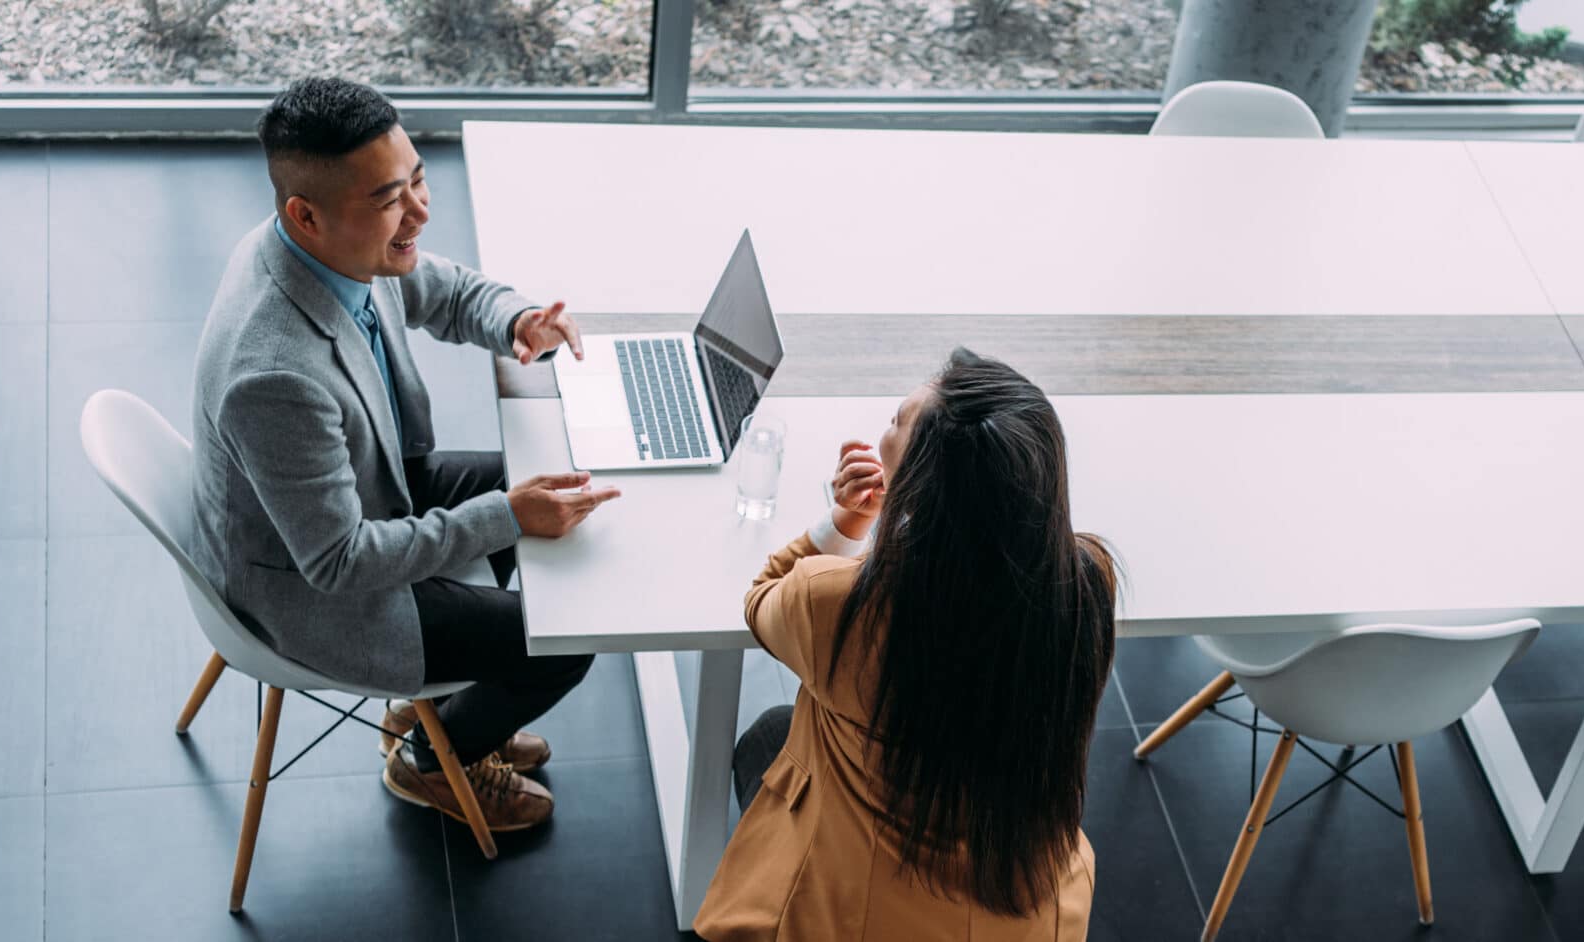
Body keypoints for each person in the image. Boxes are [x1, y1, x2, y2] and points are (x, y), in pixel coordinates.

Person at [187, 76, 615, 832]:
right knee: (567, 637)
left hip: (372, 487)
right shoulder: (273, 374)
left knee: (553, 490)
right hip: (317, 593)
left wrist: (515, 318)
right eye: (391, 199)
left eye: (418, 179)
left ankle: (453, 716)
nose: (418, 211)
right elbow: (340, 563)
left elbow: (440, 289)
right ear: (306, 215)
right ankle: (429, 757)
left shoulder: (325, 251)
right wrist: (506, 517)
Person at [697, 348, 1119, 941]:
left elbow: (762, 598)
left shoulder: (836, 605)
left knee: (768, 738)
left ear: (922, 487)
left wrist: (845, 523)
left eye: (896, 421)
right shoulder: (1083, 590)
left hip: (858, 920)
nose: (885, 428)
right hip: (1025, 912)